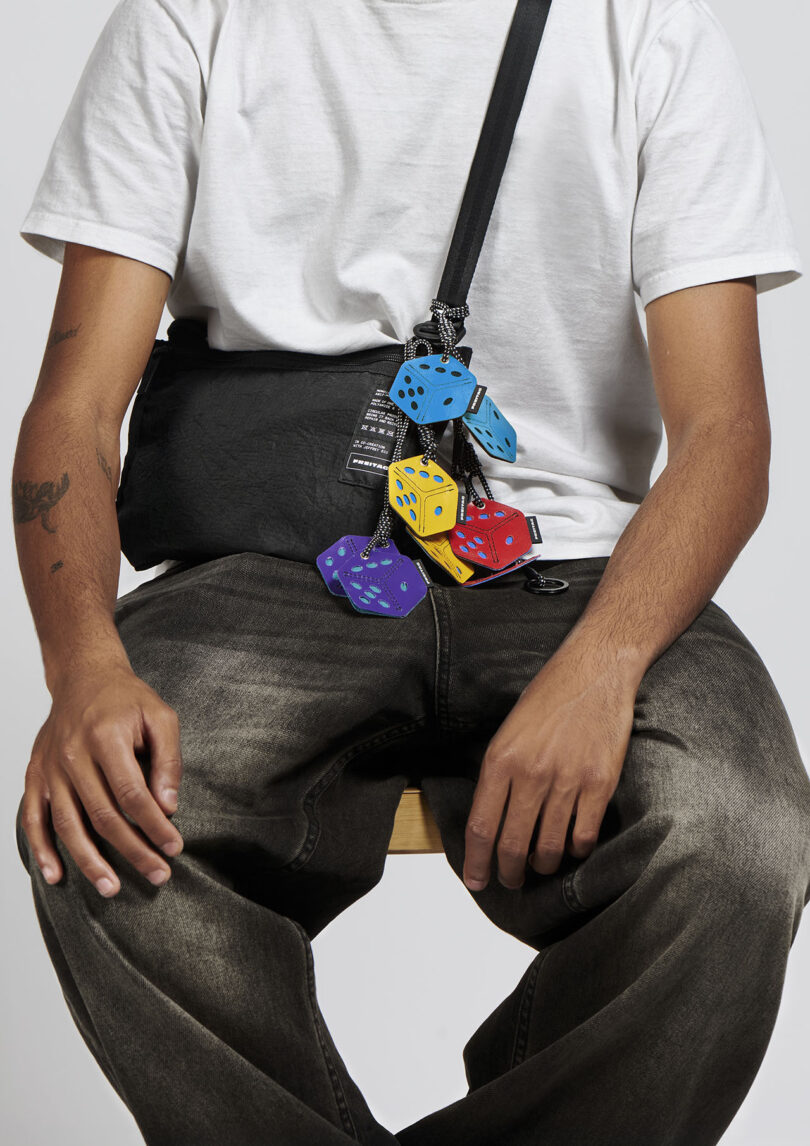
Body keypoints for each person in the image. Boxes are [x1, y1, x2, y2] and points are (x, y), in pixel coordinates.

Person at [11, 0, 810, 1143]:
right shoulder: (189, 20)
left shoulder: (643, 26)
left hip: (573, 572)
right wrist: (81, 668)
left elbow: (727, 432)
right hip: (275, 563)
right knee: (102, 812)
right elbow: (78, 412)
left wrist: (606, 664)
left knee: (740, 834)